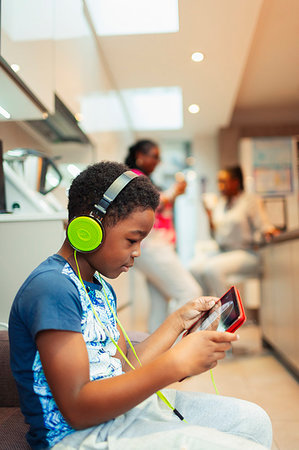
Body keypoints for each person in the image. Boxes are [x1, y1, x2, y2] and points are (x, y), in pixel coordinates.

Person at [9, 161, 272, 450]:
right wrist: (175, 364)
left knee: (254, 421)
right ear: (89, 228)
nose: (137, 252)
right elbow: (78, 408)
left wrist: (178, 322)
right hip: (77, 438)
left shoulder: (100, 287)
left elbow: (124, 366)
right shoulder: (52, 288)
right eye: (132, 240)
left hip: (119, 416)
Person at [125, 139, 202, 332]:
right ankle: (178, 347)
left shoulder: (142, 179)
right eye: (155, 156)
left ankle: (155, 354)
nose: (158, 161)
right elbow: (152, 204)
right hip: (152, 246)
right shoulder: (135, 177)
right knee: (189, 291)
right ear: (140, 157)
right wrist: (175, 190)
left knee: (160, 303)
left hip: (152, 246)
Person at [189, 166, 279, 297]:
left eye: (223, 182)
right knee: (194, 268)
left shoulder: (249, 201)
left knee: (212, 269)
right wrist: (209, 215)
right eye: (218, 182)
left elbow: (264, 225)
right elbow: (215, 235)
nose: (220, 186)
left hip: (247, 253)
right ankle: (207, 310)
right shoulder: (221, 204)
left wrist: (269, 230)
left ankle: (229, 315)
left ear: (236, 182)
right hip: (224, 252)